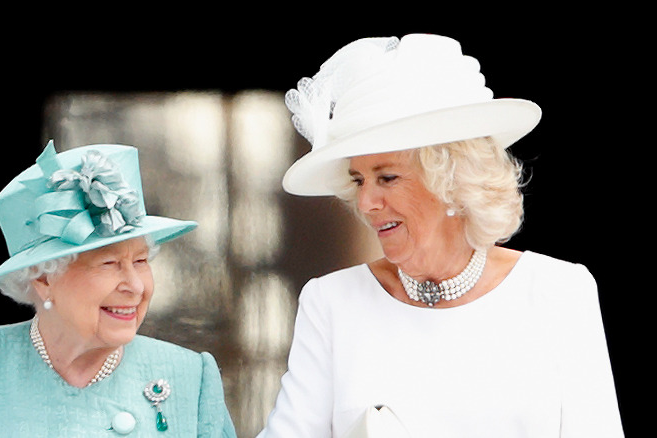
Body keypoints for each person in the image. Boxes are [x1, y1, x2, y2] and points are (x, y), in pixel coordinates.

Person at [257, 34, 623, 437]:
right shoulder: (331, 304)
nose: (365, 203)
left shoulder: (560, 292)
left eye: (387, 177)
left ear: (452, 180)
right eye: (359, 181)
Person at [0, 141, 236, 437]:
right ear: (44, 280)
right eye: (109, 264)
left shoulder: (191, 379)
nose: (135, 286)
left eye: (140, 261)